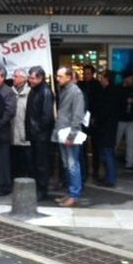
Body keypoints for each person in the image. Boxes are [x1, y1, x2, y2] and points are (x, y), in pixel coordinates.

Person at [53, 66, 85, 207]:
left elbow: (77, 115)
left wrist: (72, 135)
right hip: (62, 131)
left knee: (72, 165)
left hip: (68, 133)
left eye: (60, 76)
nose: (58, 78)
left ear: (69, 77)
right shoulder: (65, 90)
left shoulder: (76, 92)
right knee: (67, 165)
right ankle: (71, 193)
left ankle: (74, 195)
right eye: (57, 76)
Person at [25, 66, 55, 201]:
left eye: (32, 78)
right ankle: (37, 188)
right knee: (35, 163)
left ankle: (42, 190)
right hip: (34, 134)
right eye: (29, 77)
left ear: (40, 78)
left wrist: (36, 129)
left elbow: (46, 116)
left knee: (42, 163)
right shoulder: (33, 91)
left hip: (41, 135)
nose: (30, 80)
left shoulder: (46, 92)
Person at [0, 66, 17, 196]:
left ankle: (4, 186)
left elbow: (10, 111)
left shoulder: (8, 92)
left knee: (3, 160)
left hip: (2, 130)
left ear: (2, 77)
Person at [95, 70, 120, 187]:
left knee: (107, 152)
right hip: (108, 127)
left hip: (106, 127)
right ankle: (109, 177)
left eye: (101, 77)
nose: (100, 79)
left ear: (106, 78)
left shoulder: (109, 92)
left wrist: (97, 118)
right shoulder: (111, 91)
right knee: (107, 152)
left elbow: (105, 111)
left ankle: (110, 178)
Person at [77, 65, 103, 180]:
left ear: (92, 74)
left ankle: (95, 170)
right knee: (82, 146)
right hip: (83, 118)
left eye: (88, 73)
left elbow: (99, 103)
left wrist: (95, 116)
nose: (86, 75)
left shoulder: (97, 85)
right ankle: (85, 170)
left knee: (95, 146)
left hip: (93, 119)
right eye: (85, 73)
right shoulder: (81, 85)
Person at [11, 69, 32, 178]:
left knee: (27, 160)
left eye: (16, 76)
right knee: (15, 161)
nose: (13, 78)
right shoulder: (11, 92)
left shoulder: (30, 93)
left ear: (23, 79)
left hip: (25, 133)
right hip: (12, 132)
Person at [116, 71, 133, 171]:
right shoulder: (120, 89)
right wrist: (128, 101)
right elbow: (118, 101)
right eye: (131, 79)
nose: (132, 81)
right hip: (121, 118)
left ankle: (130, 162)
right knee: (117, 141)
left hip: (130, 118)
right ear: (126, 79)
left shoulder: (132, 89)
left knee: (130, 142)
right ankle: (111, 160)